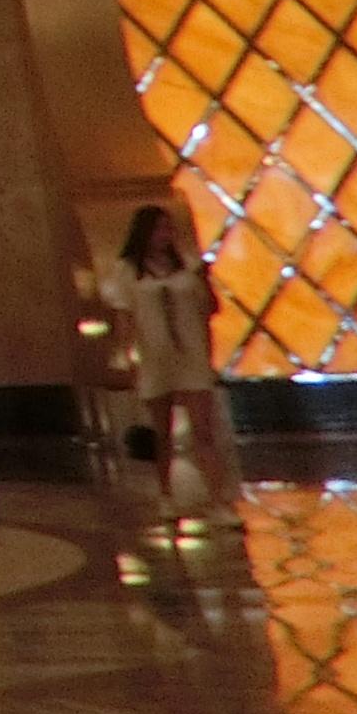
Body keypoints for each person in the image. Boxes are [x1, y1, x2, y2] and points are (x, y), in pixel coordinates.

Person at [120, 204, 237, 519]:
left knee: (203, 430)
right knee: (163, 433)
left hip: (191, 355)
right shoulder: (129, 270)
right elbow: (125, 318)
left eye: (168, 229)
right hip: (156, 358)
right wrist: (129, 360)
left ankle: (218, 500)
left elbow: (209, 308)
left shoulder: (186, 266)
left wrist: (206, 282)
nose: (165, 235)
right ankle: (166, 494)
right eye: (159, 229)